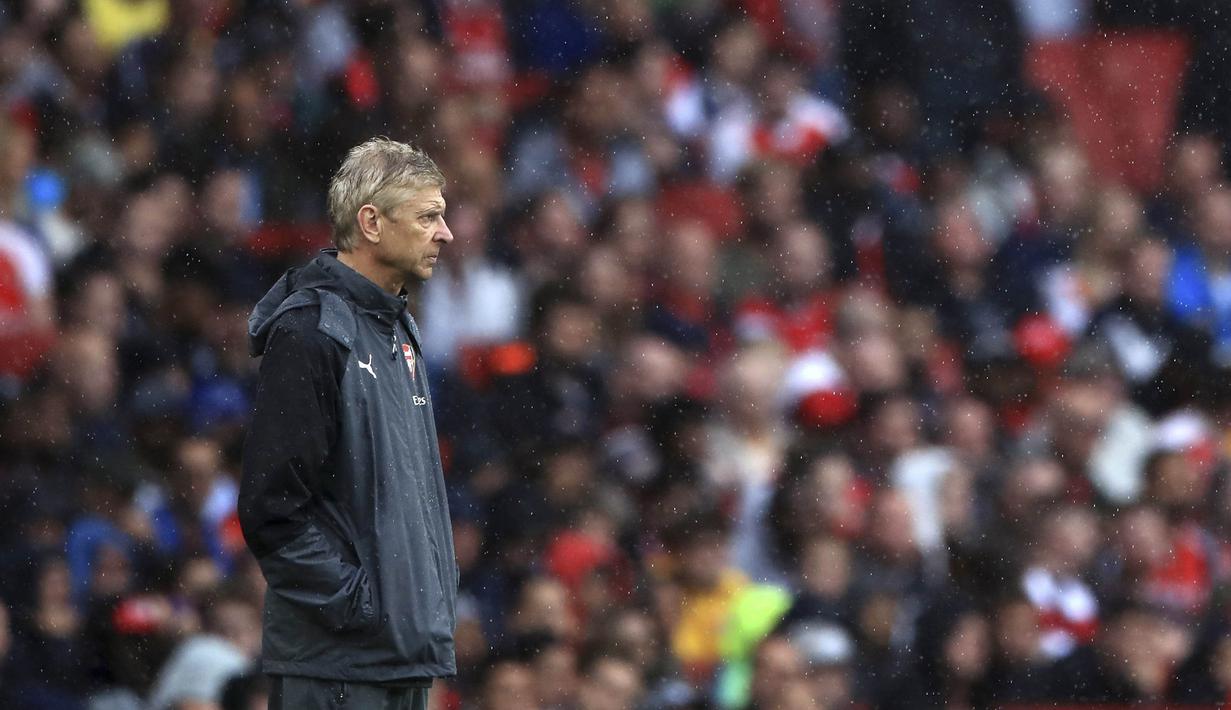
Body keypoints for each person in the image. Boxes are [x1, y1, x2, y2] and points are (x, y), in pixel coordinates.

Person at [238, 137, 458, 709]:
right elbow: (272, 508)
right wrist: (360, 605)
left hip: (396, 659)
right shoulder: (311, 332)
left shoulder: (397, 327)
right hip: (338, 668)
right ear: (371, 223)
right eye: (428, 216)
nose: (445, 233)